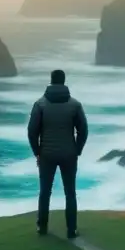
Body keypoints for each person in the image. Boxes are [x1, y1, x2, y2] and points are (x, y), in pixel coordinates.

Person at [27, 69, 89, 238]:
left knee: (45, 192)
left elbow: (32, 131)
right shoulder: (75, 105)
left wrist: (37, 153)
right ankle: (71, 230)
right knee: (70, 192)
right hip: (69, 154)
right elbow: (83, 130)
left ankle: (42, 228)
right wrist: (77, 149)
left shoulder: (40, 104)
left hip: (46, 154)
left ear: (51, 81)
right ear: (64, 81)